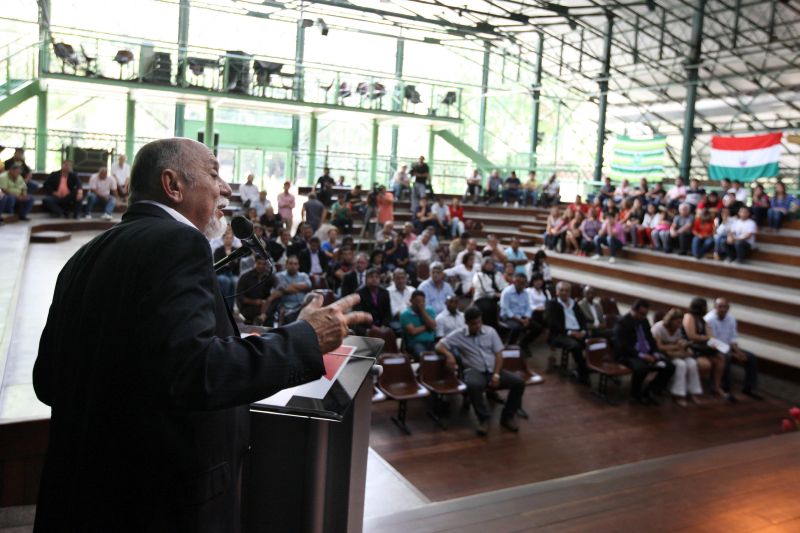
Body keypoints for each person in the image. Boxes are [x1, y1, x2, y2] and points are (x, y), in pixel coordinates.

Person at [32, 138, 370, 532]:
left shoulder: (84, 256)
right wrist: (304, 338)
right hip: (162, 504)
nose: (225, 188)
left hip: (82, 497)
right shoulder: (180, 241)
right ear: (173, 185)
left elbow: (48, 382)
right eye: (213, 173)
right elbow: (195, 370)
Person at [436, 306, 524, 435]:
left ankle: (507, 417)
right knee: (473, 385)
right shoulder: (459, 334)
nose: (477, 326)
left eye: (479, 322)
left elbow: (499, 354)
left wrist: (496, 374)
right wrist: (449, 355)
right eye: (473, 324)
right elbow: (439, 345)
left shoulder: (490, 332)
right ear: (466, 323)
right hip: (474, 370)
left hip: (493, 370)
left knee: (519, 383)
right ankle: (483, 418)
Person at [613, 299, 675, 405]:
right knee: (641, 368)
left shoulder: (644, 321)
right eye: (642, 314)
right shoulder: (622, 323)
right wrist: (641, 355)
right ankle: (635, 395)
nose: (644, 317)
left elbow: (650, 340)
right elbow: (623, 346)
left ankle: (650, 390)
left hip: (647, 352)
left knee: (669, 366)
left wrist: (655, 352)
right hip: (629, 354)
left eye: (646, 314)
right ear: (633, 310)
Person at [704, 298, 762, 401]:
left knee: (751, 357)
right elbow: (711, 341)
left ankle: (749, 388)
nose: (722, 309)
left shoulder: (731, 318)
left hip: (728, 347)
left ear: (728, 308)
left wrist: (738, 352)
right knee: (727, 357)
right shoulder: (709, 319)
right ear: (715, 307)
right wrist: (730, 352)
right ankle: (724, 387)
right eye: (720, 307)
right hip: (714, 348)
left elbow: (733, 338)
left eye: (725, 307)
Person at [651, 308, 702, 407]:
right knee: (681, 365)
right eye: (677, 322)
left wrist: (683, 344)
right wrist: (675, 346)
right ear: (670, 320)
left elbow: (678, 340)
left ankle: (693, 391)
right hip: (662, 354)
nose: (679, 325)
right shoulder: (659, 327)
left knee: (692, 363)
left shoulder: (678, 329)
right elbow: (658, 346)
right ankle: (678, 394)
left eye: (680, 322)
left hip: (674, 353)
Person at [546, 281, 591, 384]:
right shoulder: (552, 304)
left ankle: (594, 365)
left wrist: (583, 331)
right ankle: (583, 371)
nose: (564, 292)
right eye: (561, 290)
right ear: (557, 292)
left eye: (567, 291)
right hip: (560, 334)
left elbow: (583, 320)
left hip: (578, 331)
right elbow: (552, 324)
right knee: (575, 346)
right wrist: (570, 332)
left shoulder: (574, 303)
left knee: (597, 340)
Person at [682, 297, 727, 399]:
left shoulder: (702, 319)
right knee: (705, 365)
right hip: (693, 347)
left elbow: (709, 334)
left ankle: (716, 386)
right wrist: (705, 338)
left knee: (721, 359)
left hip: (703, 347)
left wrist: (711, 340)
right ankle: (693, 388)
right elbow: (691, 335)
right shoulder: (689, 317)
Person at [236, 257, 278, 325]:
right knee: (267, 313)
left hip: (265, 305)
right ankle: (263, 317)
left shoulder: (270, 276)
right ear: (254, 263)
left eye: (264, 264)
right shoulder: (245, 277)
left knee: (275, 301)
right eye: (259, 263)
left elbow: (279, 288)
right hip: (249, 306)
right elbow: (239, 297)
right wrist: (255, 302)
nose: (261, 266)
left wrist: (269, 300)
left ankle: (263, 316)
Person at [400, 290, 437, 360]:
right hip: (415, 343)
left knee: (439, 356)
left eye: (422, 301)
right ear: (411, 301)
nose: (420, 303)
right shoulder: (405, 314)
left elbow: (433, 326)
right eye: (417, 301)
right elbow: (413, 331)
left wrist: (423, 311)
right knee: (424, 357)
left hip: (431, 342)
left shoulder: (430, 310)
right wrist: (427, 326)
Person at [274, 255, 312, 323]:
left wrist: (291, 285)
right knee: (289, 315)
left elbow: (308, 285)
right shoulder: (279, 276)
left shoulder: (304, 275)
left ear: (298, 266)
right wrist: (301, 288)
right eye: (290, 263)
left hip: (302, 305)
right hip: (287, 306)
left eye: (295, 264)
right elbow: (285, 289)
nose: (293, 266)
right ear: (286, 265)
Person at [500, 272, 534, 348]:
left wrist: (527, 318)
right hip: (508, 317)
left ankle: (523, 345)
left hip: (522, 317)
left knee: (537, 327)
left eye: (523, 283)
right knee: (517, 327)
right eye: (519, 282)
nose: (521, 285)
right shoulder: (507, 292)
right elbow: (506, 310)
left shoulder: (526, 293)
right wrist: (521, 321)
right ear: (514, 282)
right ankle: (509, 346)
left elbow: (529, 307)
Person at [355, 268, 392, 333]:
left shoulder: (385, 292)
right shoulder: (359, 293)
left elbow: (388, 313)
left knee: (389, 333)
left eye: (376, 277)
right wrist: (372, 327)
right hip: (365, 326)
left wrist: (383, 325)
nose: (374, 279)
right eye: (371, 277)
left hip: (381, 325)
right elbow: (359, 315)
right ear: (366, 279)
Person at [388, 268, 415, 333]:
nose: (400, 281)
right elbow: (396, 312)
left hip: (413, 318)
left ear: (406, 278)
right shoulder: (388, 292)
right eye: (398, 278)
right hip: (397, 320)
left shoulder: (412, 290)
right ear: (393, 279)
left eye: (403, 278)